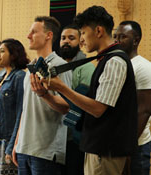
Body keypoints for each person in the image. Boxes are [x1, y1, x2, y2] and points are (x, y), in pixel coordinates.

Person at [41, 6, 138, 175]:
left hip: (105, 149)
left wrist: (61, 88)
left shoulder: (114, 61)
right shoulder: (106, 59)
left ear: (98, 31)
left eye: (83, 33)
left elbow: (98, 109)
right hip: (100, 148)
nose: (82, 40)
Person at [13, 16, 72, 175]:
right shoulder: (30, 68)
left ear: (49, 35)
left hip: (45, 151)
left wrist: (44, 95)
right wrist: (17, 143)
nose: (28, 36)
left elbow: (67, 106)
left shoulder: (59, 65)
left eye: (33, 32)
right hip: (24, 148)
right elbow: (25, 109)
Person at [0, 38, 29, 175]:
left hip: (9, 141)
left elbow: (20, 113)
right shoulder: (2, 78)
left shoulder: (20, 76)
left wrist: (11, 147)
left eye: (2, 51)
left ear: (14, 55)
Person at [114, 20, 151, 175]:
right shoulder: (117, 65)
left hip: (136, 146)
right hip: (117, 144)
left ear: (136, 40)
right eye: (115, 36)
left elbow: (144, 110)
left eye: (123, 37)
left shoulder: (143, 67)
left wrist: (128, 147)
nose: (117, 40)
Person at [59, 24, 95, 175]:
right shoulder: (59, 65)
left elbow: (80, 106)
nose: (66, 41)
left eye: (71, 38)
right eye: (63, 38)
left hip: (75, 138)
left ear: (81, 43)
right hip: (59, 137)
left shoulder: (86, 67)